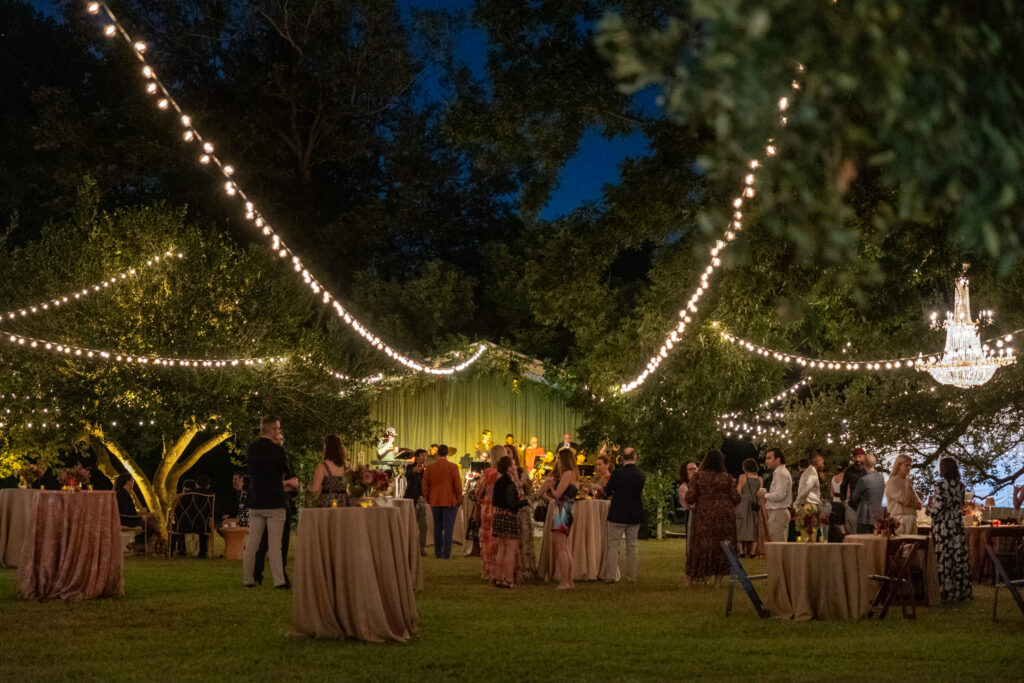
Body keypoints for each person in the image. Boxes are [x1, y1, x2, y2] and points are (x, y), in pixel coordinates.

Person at [243, 415, 298, 589]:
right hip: (274, 500)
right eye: (277, 428)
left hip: (256, 500)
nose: (278, 431)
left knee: (252, 543)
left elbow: (251, 471)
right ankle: (279, 581)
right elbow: (286, 469)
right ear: (272, 429)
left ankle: (248, 578)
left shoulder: (252, 448)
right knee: (275, 545)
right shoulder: (277, 450)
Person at [685, 449, 741, 586]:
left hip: (704, 516)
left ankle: (689, 580)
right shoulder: (727, 477)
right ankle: (717, 583)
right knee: (721, 548)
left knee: (699, 547)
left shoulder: (698, 477)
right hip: (724, 518)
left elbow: (690, 497)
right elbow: (736, 498)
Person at [927, 457, 972, 602]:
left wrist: (928, 511)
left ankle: (945, 590)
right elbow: (960, 504)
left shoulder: (940, 485)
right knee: (957, 554)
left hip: (943, 524)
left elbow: (938, 506)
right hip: (956, 523)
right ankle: (959, 589)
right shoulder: (961, 486)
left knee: (944, 554)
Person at [600, 446, 645, 583]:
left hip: (618, 513)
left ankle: (611, 576)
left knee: (613, 546)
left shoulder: (617, 473)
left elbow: (607, 491)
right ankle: (631, 576)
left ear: (622, 458)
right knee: (632, 546)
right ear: (635, 457)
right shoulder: (640, 474)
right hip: (634, 513)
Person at [491, 455, 529, 588]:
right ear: (508, 468)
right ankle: (508, 579)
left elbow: (495, 501)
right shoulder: (510, 484)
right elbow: (512, 503)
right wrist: (525, 501)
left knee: (501, 549)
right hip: (508, 516)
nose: (515, 466)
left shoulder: (498, 482)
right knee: (511, 550)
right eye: (513, 464)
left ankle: (498, 577)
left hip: (498, 515)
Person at [422, 443, 463, 559]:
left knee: (437, 528)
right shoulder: (453, 467)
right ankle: (446, 554)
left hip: (435, 500)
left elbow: (425, 485)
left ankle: (438, 553)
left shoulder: (429, 467)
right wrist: (460, 498)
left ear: (437, 454)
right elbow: (457, 485)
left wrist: (428, 498)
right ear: (447, 454)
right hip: (450, 500)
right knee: (448, 529)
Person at [546, 448, 579, 589]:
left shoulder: (567, 474)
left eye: (559, 458)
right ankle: (569, 581)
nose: (557, 461)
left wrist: (550, 487)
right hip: (568, 508)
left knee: (560, 547)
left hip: (562, 509)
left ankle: (564, 581)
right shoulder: (574, 474)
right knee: (565, 547)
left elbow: (558, 494)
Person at [475, 445, 505, 579]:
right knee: (502, 542)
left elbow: (479, 492)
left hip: (488, 510)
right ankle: (503, 570)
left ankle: (489, 571)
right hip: (503, 510)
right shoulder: (508, 472)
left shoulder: (488, 472)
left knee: (488, 541)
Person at [114, 473, 162, 553]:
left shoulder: (124, 493)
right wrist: (140, 515)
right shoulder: (122, 494)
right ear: (128, 482)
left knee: (152, 517)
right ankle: (138, 544)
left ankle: (142, 545)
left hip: (128, 518)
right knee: (151, 524)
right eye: (132, 480)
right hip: (126, 520)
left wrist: (140, 513)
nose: (133, 483)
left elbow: (128, 511)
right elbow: (125, 513)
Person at [512, 453, 538, 581]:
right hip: (508, 511)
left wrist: (526, 488)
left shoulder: (521, 473)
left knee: (523, 540)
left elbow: (530, 493)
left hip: (521, 511)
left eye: (509, 452)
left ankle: (525, 569)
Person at [759, 448, 792, 543]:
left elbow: (780, 495)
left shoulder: (780, 473)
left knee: (777, 546)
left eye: (769, 458)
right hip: (779, 513)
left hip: (778, 513)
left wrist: (764, 495)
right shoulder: (780, 472)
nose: (766, 461)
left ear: (778, 459)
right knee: (779, 545)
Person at [886, 454, 922, 534]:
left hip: (912, 520)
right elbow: (906, 501)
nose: (909, 468)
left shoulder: (907, 482)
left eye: (910, 465)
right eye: (906, 465)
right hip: (899, 521)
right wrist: (906, 487)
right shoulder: (892, 482)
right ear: (899, 465)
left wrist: (909, 503)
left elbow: (919, 505)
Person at [850, 453, 885, 534]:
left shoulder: (863, 480)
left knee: (863, 540)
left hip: (864, 517)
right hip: (878, 517)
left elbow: (854, 498)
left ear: (864, 464)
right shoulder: (881, 478)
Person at [310, 434, 349, 508]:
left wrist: (307, 488)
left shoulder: (322, 466)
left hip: (327, 503)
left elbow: (315, 489)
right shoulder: (347, 465)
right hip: (343, 503)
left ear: (326, 448)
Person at [403, 449, 429, 555]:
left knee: (423, 525)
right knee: (410, 524)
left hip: (421, 499)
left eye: (425, 456)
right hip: (410, 499)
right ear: (416, 457)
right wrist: (414, 471)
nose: (424, 458)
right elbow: (406, 475)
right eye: (422, 455)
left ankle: (422, 548)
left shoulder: (426, 469)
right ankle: (409, 547)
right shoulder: (410, 467)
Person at [734, 458, 760, 558]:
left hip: (743, 504)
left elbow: (738, 491)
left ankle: (741, 551)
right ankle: (753, 552)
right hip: (754, 505)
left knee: (739, 526)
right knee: (754, 527)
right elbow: (759, 493)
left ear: (745, 467)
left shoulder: (742, 477)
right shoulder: (760, 479)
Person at [840, 447, 867, 534]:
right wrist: (843, 500)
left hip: (865, 505)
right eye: (856, 457)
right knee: (853, 531)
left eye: (860, 457)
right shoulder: (849, 470)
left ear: (864, 457)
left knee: (865, 531)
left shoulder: (868, 470)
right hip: (853, 505)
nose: (858, 459)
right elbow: (843, 485)